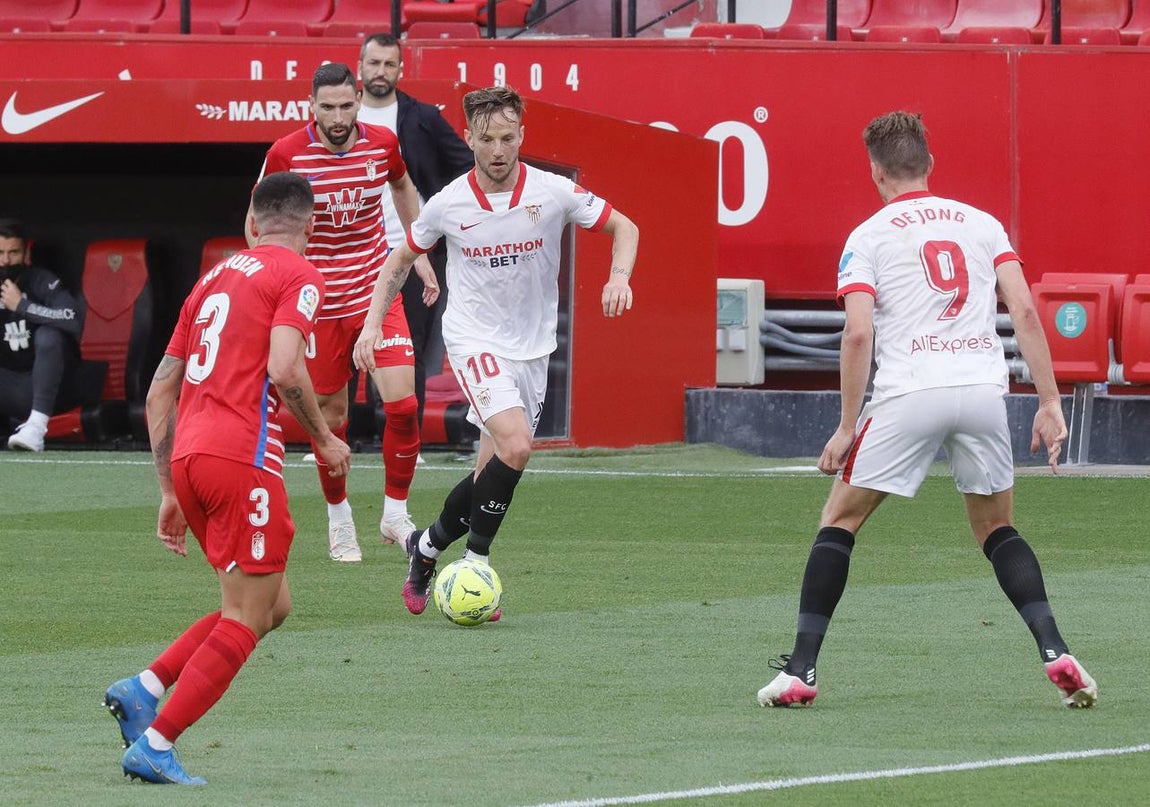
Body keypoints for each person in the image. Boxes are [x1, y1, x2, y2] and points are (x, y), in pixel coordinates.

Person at [756, 112, 1098, 710]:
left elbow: (858, 334)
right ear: (929, 165)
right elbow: (1022, 308)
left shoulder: (868, 235)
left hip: (911, 391)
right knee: (997, 529)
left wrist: (845, 426)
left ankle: (802, 671)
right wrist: (1049, 401)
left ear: (875, 171)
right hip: (982, 392)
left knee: (840, 520)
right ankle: (1056, 649)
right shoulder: (983, 223)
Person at [102, 172, 351, 785]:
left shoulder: (210, 280)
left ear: (251, 222)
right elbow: (288, 371)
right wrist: (324, 439)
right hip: (243, 459)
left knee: (271, 605)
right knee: (246, 615)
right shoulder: (299, 275)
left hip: (191, 456)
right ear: (311, 226)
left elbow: (161, 391)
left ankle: (147, 686)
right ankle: (157, 742)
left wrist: (168, 488)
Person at [353, 86, 640, 617]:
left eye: (508, 137)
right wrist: (372, 327)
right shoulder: (448, 203)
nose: (499, 150)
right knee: (517, 446)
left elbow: (626, 227)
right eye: (487, 139)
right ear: (469, 139)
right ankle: (477, 564)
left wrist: (618, 276)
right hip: (475, 340)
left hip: (532, 349)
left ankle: (427, 548)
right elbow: (398, 262)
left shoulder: (554, 191)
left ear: (522, 136)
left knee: (494, 471)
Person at [255, 62, 438, 563]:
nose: (337, 116)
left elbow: (402, 188)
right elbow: (258, 218)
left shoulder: (382, 143)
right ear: (310, 106)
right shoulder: (286, 153)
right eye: (327, 106)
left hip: (376, 293)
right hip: (316, 304)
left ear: (359, 100)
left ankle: (395, 514)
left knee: (402, 405)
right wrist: (270, 281)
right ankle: (339, 521)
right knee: (332, 419)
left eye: (345, 104)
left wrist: (416, 253)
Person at [356, 32, 474, 429]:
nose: (380, 71)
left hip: (410, 251)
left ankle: (409, 438)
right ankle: (338, 433)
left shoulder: (423, 117)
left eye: (389, 64)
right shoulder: (341, 118)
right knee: (340, 342)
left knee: (409, 345)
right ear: (360, 66)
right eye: (374, 63)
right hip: (350, 250)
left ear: (401, 69)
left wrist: (441, 215)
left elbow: (465, 167)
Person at [0, 219, 85, 452]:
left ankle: (36, 429)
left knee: (49, 335)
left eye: (13, 252)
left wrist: (23, 306)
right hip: (10, 386)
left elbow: (73, 319)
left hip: (52, 390)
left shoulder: (41, 280)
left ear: (26, 253)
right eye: (0, 253)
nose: (6, 261)